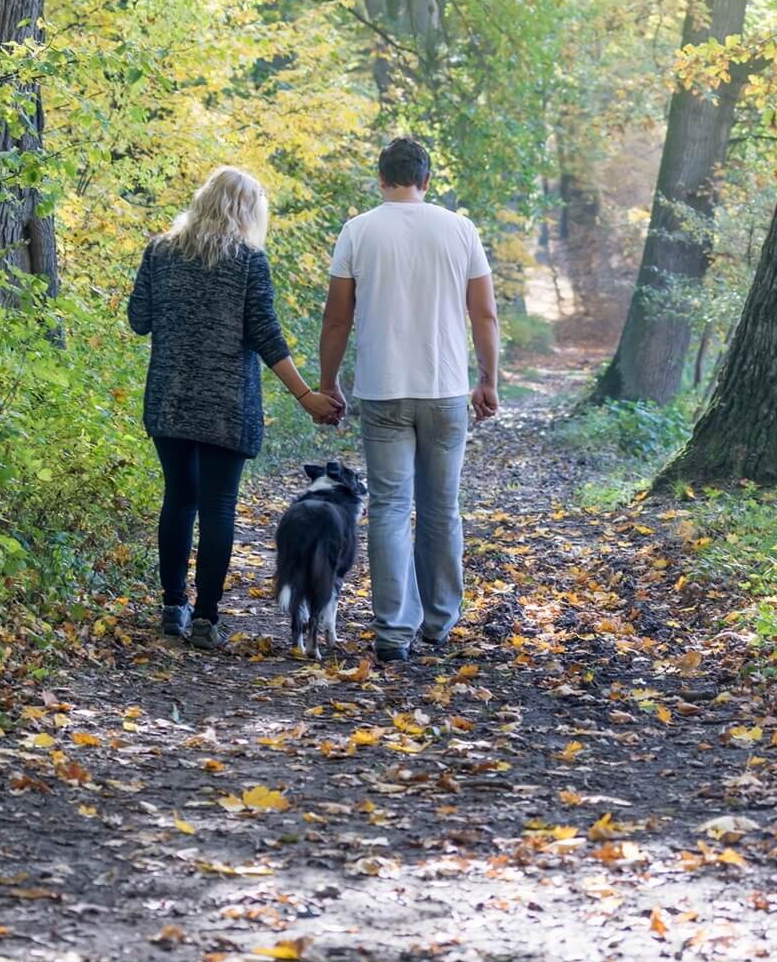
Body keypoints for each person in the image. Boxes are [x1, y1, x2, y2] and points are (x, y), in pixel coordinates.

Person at [128, 166, 341, 649]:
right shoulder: (248, 261)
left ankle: (171, 606)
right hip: (227, 404)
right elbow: (267, 336)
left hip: (171, 397)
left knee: (179, 498)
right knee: (218, 506)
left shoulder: (159, 252)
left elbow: (139, 319)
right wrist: (306, 396)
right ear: (247, 214)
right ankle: (205, 618)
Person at [318, 136, 500, 663]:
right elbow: (483, 315)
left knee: (392, 509)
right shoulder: (459, 229)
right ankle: (439, 622)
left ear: (381, 179)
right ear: (426, 180)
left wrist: (329, 383)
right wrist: (487, 379)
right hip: (445, 390)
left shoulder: (358, 230)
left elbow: (337, 318)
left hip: (382, 390)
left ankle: (394, 630)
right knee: (442, 507)